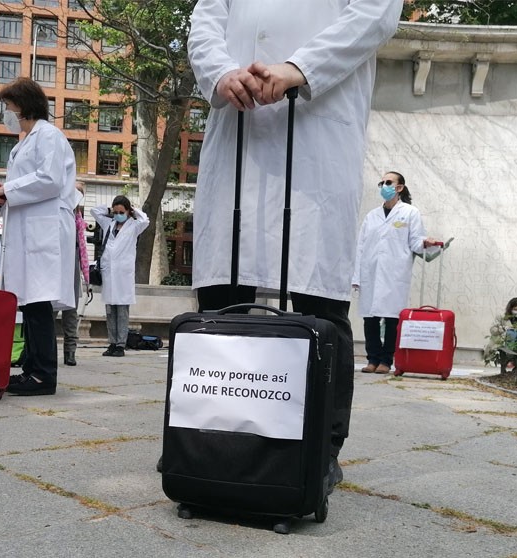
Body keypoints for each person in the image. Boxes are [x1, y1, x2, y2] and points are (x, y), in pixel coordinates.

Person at [185, 0, 402, 486]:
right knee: (222, 298)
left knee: (317, 302)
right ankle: (209, 439)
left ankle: (320, 450)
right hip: (238, 130)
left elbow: (376, 14)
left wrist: (298, 68)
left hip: (316, 136)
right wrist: (221, 73)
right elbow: (205, 21)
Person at [0, 77, 76, 396]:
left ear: (22, 106)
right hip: (29, 231)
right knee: (31, 304)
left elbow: (49, 180)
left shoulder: (48, 136)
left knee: (39, 304)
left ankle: (43, 375)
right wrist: (0, 194)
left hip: (45, 232)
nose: (6, 113)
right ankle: (31, 368)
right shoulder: (23, 143)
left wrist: (6, 190)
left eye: (8, 107)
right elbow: (22, 187)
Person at [352, 172, 439, 375]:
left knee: (392, 318)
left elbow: (415, 241)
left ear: (399, 187)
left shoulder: (410, 213)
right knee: (370, 318)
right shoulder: (371, 216)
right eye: (382, 182)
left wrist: (426, 243)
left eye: (388, 182)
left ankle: (386, 360)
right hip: (370, 272)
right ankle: (372, 359)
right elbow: (360, 247)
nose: (384, 185)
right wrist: (356, 276)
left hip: (394, 273)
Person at [91, 195, 149, 357]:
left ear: (128, 211)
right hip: (109, 273)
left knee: (122, 310)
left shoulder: (134, 226)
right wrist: (109, 210)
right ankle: (112, 342)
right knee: (110, 311)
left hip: (123, 274)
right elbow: (94, 211)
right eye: (115, 212)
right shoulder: (108, 223)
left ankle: (120, 345)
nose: (118, 215)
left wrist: (133, 210)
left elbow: (145, 220)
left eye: (121, 212)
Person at [53, 181, 90, 366]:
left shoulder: (78, 218)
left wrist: (85, 274)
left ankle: (70, 352)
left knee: (71, 311)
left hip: (72, 267)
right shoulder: (57, 211)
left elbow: (82, 249)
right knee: (50, 311)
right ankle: (49, 350)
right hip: (55, 267)